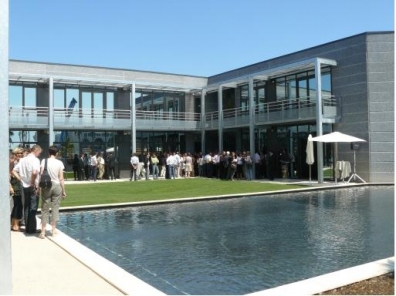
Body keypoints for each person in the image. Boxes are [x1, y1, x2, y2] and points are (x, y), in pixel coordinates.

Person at [12, 144, 42, 234]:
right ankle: (31, 229)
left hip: (24, 185)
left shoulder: (22, 160)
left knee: (26, 206)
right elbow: (34, 172)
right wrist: (32, 183)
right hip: (32, 186)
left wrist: (20, 179)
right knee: (33, 207)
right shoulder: (35, 160)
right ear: (36, 151)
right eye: (39, 153)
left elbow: (13, 170)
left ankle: (28, 228)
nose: (39, 155)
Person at [39, 146, 66, 238]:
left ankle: (43, 231)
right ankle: (53, 230)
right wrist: (64, 190)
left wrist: (38, 188)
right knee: (55, 207)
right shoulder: (59, 163)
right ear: (57, 153)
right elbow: (61, 178)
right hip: (56, 185)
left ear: (48, 153)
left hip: (46, 185)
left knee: (45, 208)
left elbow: (41, 174)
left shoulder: (44, 161)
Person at [9, 152, 23, 231]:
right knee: (17, 205)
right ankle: (15, 225)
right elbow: (10, 173)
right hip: (15, 185)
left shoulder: (18, 162)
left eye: (21, 154)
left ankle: (14, 224)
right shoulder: (13, 162)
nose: (20, 155)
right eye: (18, 154)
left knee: (17, 205)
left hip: (17, 185)